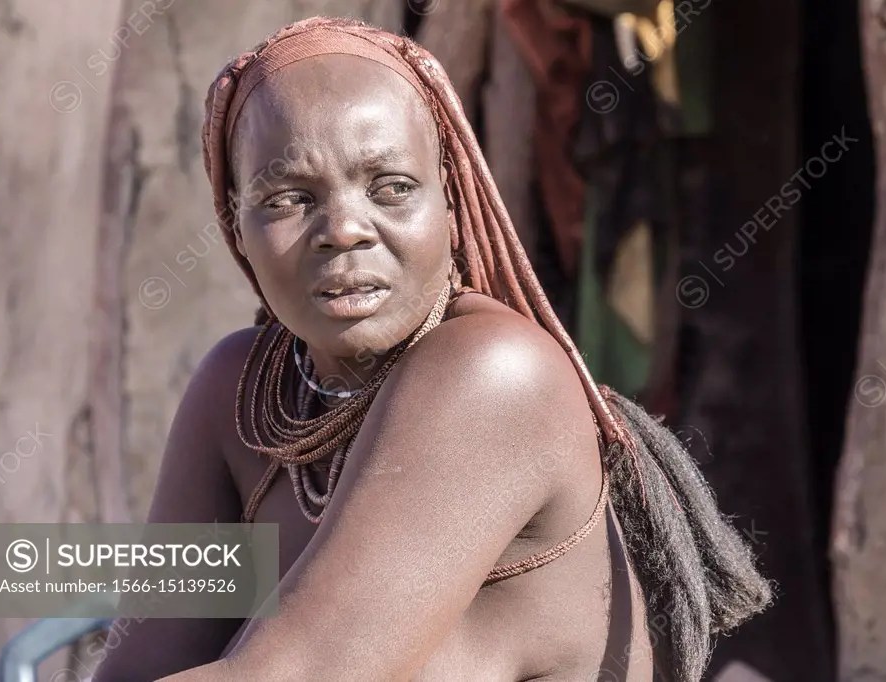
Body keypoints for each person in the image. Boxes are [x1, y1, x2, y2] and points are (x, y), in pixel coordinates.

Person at [92, 16, 769, 682]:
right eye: (289, 198)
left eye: (391, 188)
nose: (345, 230)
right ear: (236, 226)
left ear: (451, 203)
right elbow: (142, 660)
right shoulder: (239, 393)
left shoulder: (493, 376)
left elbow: (301, 672)